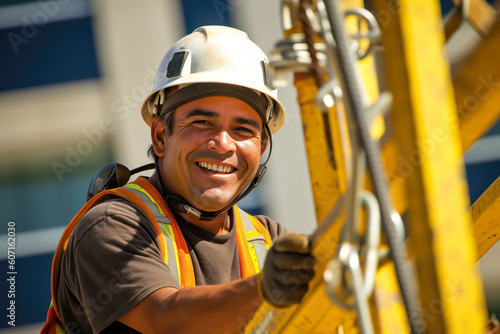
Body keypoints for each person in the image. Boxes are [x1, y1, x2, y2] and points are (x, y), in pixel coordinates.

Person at [42, 25, 315, 334]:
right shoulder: (112, 225)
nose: (223, 144)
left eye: (243, 130)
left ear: (261, 148)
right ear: (160, 136)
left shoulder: (269, 243)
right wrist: (264, 290)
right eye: (202, 122)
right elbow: (165, 319)